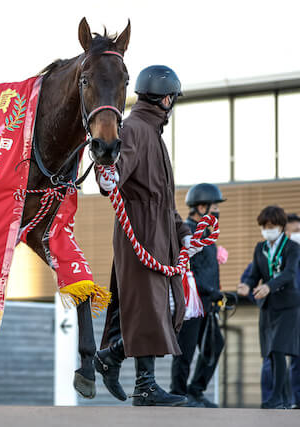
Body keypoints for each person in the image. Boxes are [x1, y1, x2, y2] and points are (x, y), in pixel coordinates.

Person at [95, 65, 200, 406]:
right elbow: (115, 171)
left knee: (166, 309)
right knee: (150, 309)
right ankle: (145, 386)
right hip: (139, 234)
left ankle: (111, 357)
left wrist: (183, 232)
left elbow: (164, 200)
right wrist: (106, 179)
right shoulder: (138, 129)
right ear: (166, 99)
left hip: (161, 234)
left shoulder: (152, 134)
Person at [237, 206, 300, 409]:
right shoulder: (260, 248)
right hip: (267, 307)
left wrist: (269, 286)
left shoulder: (292, 248)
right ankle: (283, 399)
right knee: (270, 353)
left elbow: (289, 273)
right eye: (264, 226)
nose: (268, 230)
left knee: (279, 349)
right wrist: (247, 284)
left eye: (272, 226)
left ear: (281, 227)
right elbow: (254, 273)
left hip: (288, 305)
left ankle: (276, 398)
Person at [170, 183, 226, 408]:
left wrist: (217, 295)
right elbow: (189, 268)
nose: (217, 211)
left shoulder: (205, 234)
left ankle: (195, 390)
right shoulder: (187, 232)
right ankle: (179, 392)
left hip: (208, 303)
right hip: (192, 301)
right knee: (186, 349)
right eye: (214, 206)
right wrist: (212, 291)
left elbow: (209, 269)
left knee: (214, 345)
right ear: (202, 207)